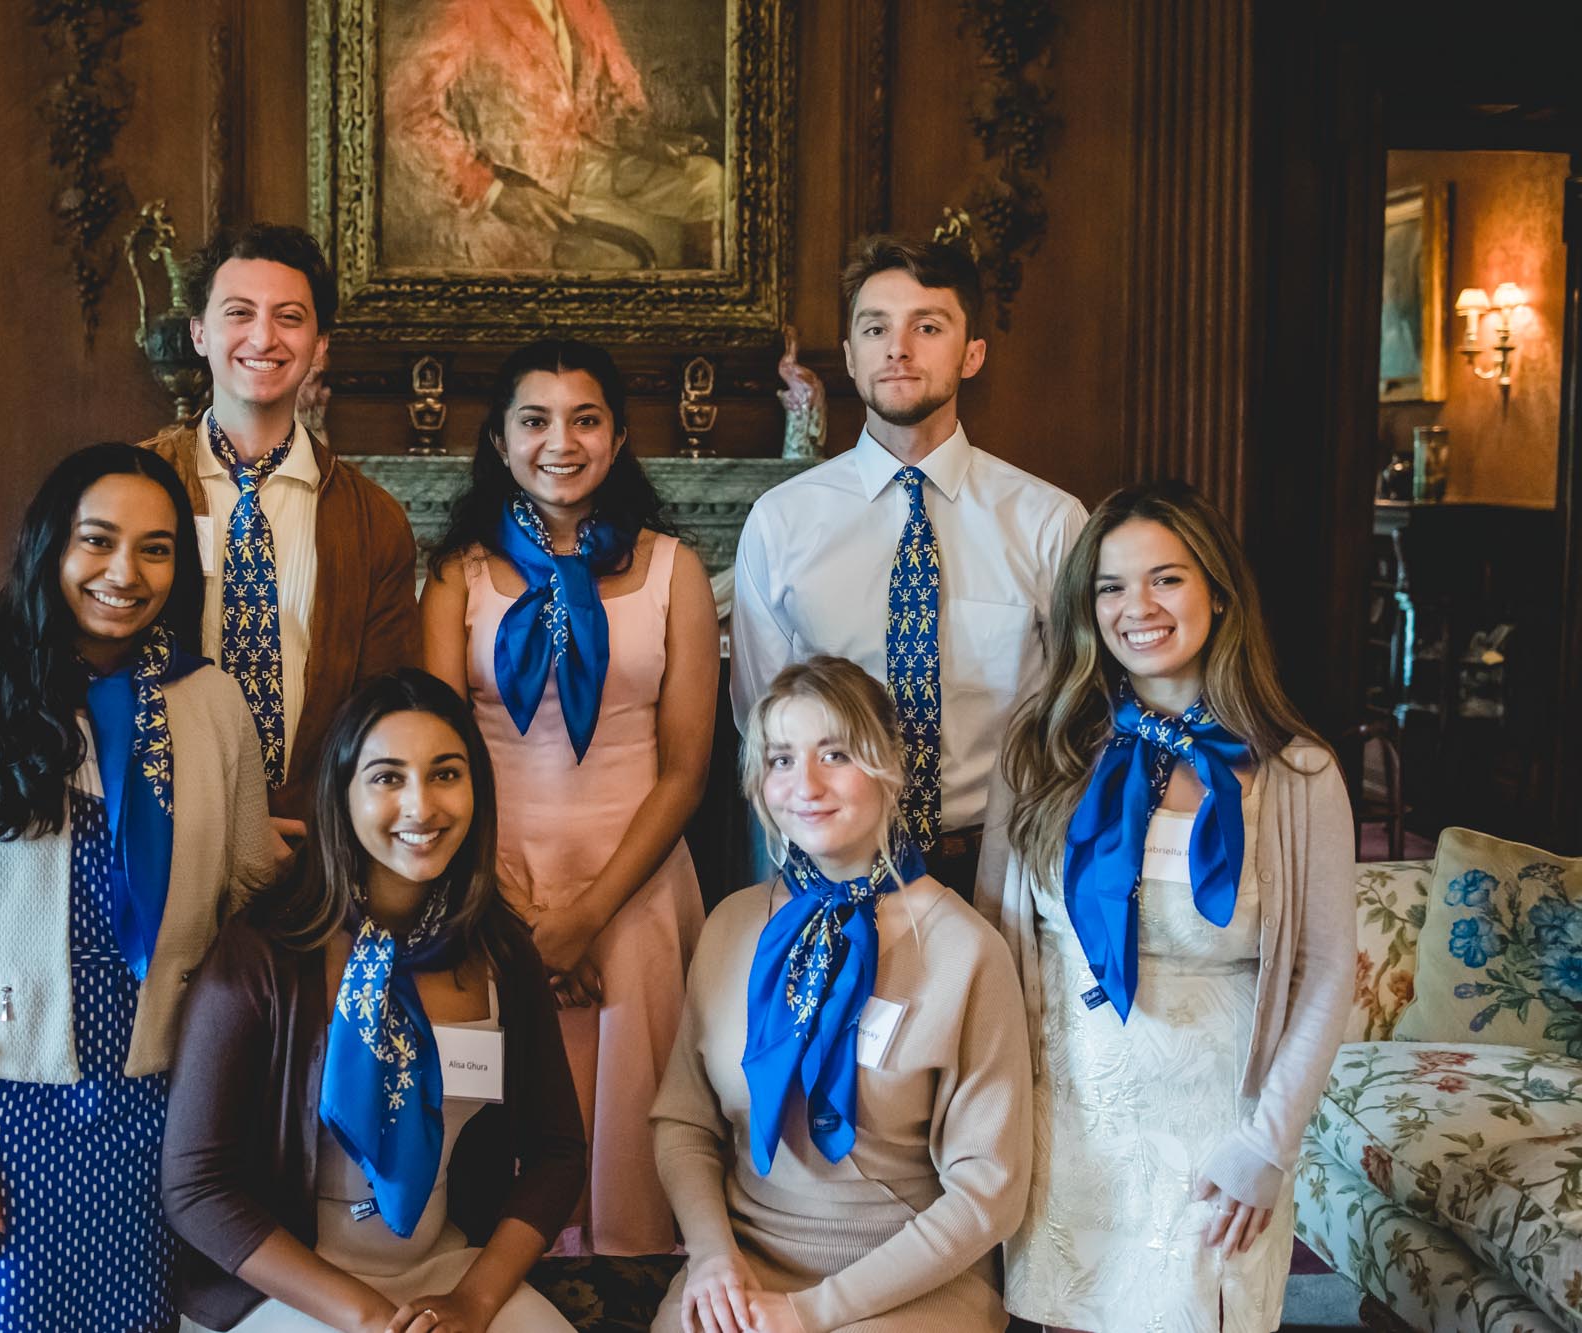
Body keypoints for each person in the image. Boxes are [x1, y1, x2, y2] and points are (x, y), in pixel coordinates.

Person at [0, 443, 281, 1333]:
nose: (124, 573)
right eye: (96, 541)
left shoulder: (215, 706)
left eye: (156, 548)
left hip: (170, 1090)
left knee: (143, 1316)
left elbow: (252, 898)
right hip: (10, 1099)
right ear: (49, 549)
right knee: (12, 1313)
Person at [976, 480, 1356, 1333]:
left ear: (1218, 593)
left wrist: (1268, 1144)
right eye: (1110, 586)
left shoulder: (1302, 776)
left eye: (1166, 578)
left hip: (1222, 1134)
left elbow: (1328, 970)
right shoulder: (1038, 755)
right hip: (1066, 1127)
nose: (1134, 606)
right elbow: (1003, 949)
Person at [161, 669, 586, 1333]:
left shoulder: (503, 950)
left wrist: (474, 1301)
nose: (422, 806)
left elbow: (558, 1152)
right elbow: (195, 1185)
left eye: (446, 773)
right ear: (342, 793)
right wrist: (364, 1315)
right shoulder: (262, 951)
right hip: (299, 1283)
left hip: (452, 1272)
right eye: (388, 777)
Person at [421, 338, 718, 1256]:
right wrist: (514, 918)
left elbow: (686, 771)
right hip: (485, 880)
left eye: (585, 419)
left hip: (634, 884)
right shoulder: (455, 577)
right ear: (500, 439)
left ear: (620, 437)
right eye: (536, 420)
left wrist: (587, 916)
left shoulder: (676, 571)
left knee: (624, 1136)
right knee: (503, 1127)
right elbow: (437, 758)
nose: (562, 440)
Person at [651, 655, 1031, 1332]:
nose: (807, 784)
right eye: (781, 759)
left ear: (891, 766)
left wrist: (813, 1311)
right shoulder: (730, 925)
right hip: (744, 1266)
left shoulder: (967, 950)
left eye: (836, 753)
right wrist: (710, 1256)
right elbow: (684, 1123)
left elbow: (989, 1192)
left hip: (911, 1283)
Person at [730, 236, 1088, 895]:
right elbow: (763, 720)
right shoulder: (781, 523)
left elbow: (1079, 717)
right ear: (848, 355)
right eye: (875, 328)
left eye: (928, 326)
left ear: (972, 352)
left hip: (1004, 867)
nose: (898, 347)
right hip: (831, 869)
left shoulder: (1050, 523)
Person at [137, 222, 422, 829]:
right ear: (199, 333)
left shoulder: (373, 521)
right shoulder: (133, 487)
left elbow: (385, 705)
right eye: (239, 312)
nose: (263, 337)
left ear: (320, 344)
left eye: (290, 317)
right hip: (160, 830)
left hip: (313, 843)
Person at [382, 0, 721, 270]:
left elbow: (606, 96)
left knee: (707, 182)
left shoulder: (583, 5)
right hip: (520, 189)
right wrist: (492, 191)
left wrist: (644, 138)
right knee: (637, 253)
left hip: (583, 164)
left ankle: (709, 323)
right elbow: (407, 113)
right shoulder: (462, 7)